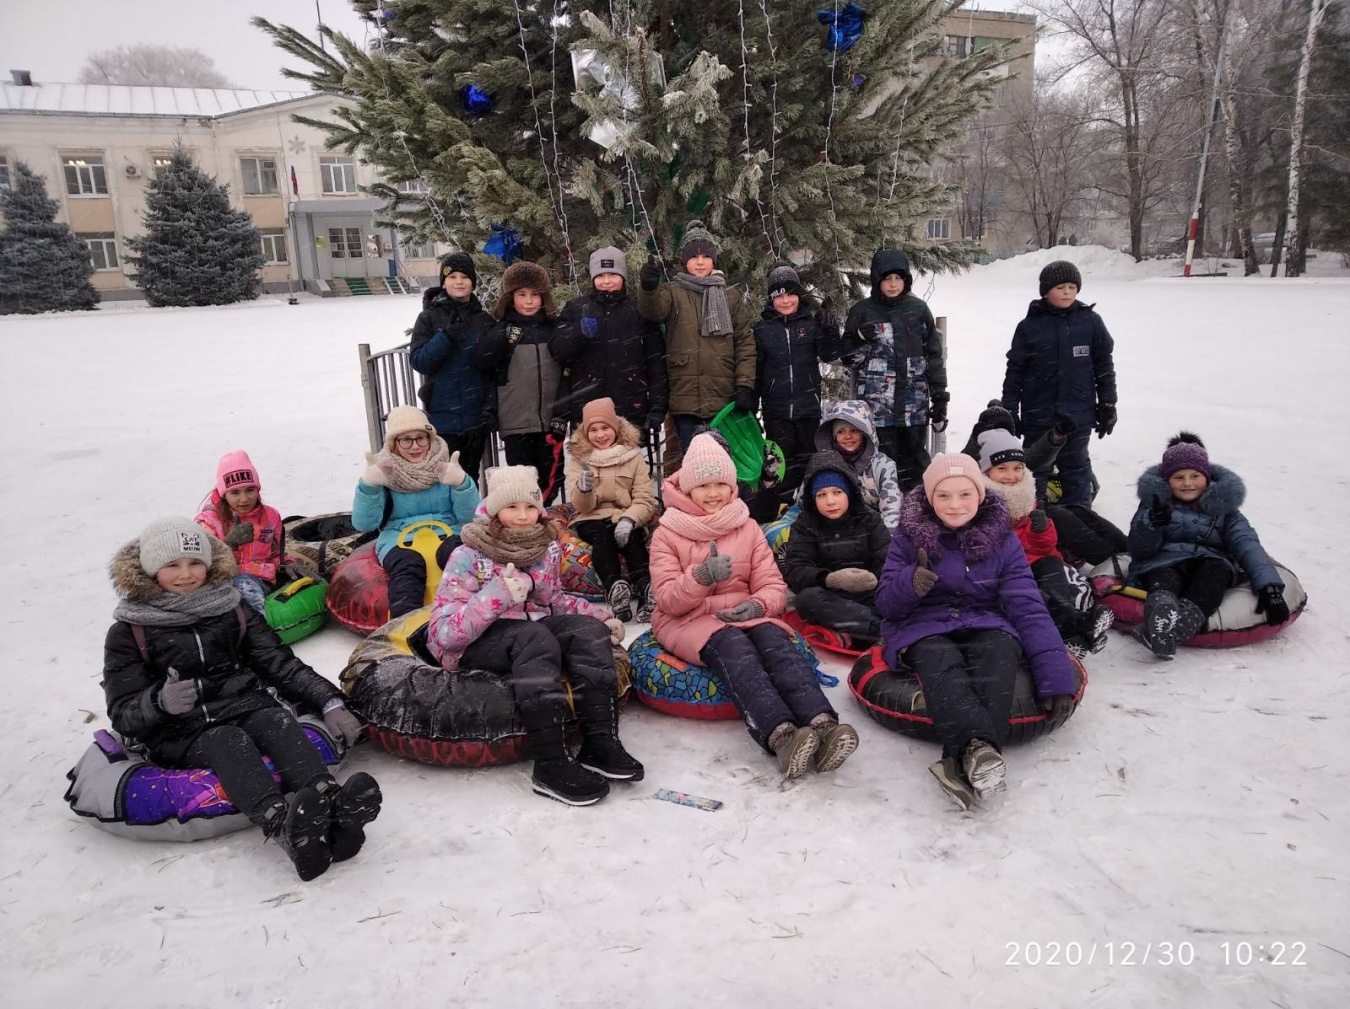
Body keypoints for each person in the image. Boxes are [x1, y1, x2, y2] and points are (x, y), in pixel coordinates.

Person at [103, 519, 380, 881]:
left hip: (244, 705)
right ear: (151, 570)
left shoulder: (231, 608)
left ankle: (331, 805)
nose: (186, 575)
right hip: (180, 730)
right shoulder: (130, 630)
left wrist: (329, 702)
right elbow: (122, 711)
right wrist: (158, 702)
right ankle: (284, 826)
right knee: (228, 740)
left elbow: (279, 663)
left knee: (275, 720)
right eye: (172, 565)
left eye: (194, 563)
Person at [427, 466, 641, 805]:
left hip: (528, 633)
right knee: (534, 637)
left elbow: (553, 601)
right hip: (476, 643)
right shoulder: (467, 555)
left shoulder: (545, 548)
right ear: (495, 511)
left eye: (530, 507)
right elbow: (445, 634)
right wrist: (498, 594)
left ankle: (600, 743)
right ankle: (551, 764)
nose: (524, 516)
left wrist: (599, 617)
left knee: (586, 632)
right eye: (512, 507)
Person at [649, 434, 860, 779]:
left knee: (778, 648)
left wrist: (758, 605)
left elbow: (773, 585)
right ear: (687, 489)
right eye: (703, 485)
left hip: (745, 613)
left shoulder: (745, 526)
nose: (713, 492)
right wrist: (700, 576)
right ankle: (780, 735)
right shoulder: (668, 533)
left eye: (721, 483)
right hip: (692, 620)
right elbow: (668, 600)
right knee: (736, 651)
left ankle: (823, 723)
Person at [876, 455, 1077, 809]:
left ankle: (963, 760)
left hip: (984, 619)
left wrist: (1055, 676)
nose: (955, 505)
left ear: (980, 495)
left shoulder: (1003, 539)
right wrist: (911, 583)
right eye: (944, 496)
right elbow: (887, 605)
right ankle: (977, 751)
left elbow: (1027, 606)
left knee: (999, 652)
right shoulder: (908, 537)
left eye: (964, 494)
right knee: (942, 660)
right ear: (929, 497)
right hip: (921, 625)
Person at [1126, 432, 1288, 658]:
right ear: (1166, 480)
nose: (1188, 483)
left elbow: (1246, 543)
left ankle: (1169, 631)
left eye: (1195, 476)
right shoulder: (1154, 504)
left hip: (1210, 561)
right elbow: (1139, 550)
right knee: (1162, 578)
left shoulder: (1224, 508)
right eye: (1179, 477)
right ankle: (1162, 611)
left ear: (1208, 478)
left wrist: (1269, 587)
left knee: (1215, 575)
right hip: (1164, 560)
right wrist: (1152, 524)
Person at [976, 429, 1114, 656]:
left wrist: (1042, 530)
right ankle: (1079, 628)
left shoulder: (1027, 495)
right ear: (987, 472)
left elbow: (1046, 547)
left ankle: (1071, 636)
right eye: (1002, 469)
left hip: (1035, 559)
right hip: (1006, 568)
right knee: (1037, 596)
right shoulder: (980, 501)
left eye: (1017, 468)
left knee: (1053, 573)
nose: (1011, 476)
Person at [1000, 260, 1118, 507]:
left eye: (1072, 287)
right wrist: (1009, 409)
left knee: (1076, 469)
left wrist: (1108, 404)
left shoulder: (1090, 322)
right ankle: (1034, 524)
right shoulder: (1029, 326)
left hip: (1078, 414)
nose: (1067, 292)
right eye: (1060, 287)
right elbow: (1015, 371)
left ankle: (1080, 520)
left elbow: (1104, 367)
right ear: (1045, 291)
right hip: (1039, 415)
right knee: (1034, 470)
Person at [638, 221, 755, 453]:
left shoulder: (730, 297)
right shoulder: (673, 292)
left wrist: (745, 384)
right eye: (693, 256)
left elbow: (744, 343)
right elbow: (653, 310)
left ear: (714, 259)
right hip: (686, 399)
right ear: (684, 260)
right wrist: (648, 288)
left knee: (725, 464)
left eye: (705, 256)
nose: (700, 262)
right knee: (694, 464)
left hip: (724, 399)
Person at [352, 406, 481, 619]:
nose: (415, 446)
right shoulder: (384, 472)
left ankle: (470, 613)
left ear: (431, 438)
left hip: (448, 531)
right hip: (398, 538)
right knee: (408, 566)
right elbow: (364, 523)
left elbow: (469, 516)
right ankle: (407, 622)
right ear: (394, 444)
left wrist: (462, 485)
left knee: (458, 556)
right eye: (406, 440)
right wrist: (369, 487)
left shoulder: (446, 468)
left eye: (421, 438)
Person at [962, 400, 1126, 565]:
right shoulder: (975, 464)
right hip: (1018, 536)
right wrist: (974, 443)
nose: (1010, 475)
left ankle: (1127, 549)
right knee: (1059, 517)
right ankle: (1110, 560)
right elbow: (961, 466)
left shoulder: (1010, 457)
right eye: (994, 431)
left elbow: (1033, 458)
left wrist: (1056, 436)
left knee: (1077, 511)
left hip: (1032, 517)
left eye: (1004, 432)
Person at [842, 249, 948, 491]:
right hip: (877, 409)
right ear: (877, 280)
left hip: (914, 407)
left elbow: (933, 355)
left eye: (898, 278)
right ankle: (884, 519)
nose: (892, 284)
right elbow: (849, 358)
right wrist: (859, 338)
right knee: (880, 468)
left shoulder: (918, 310)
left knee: (915, 467)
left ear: (906, 280)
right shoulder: (862, 311)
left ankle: (916, 515)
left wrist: (939, 394)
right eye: (887, 278)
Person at [753, 262, 844, 516]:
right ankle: (780, 514)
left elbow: (829, 354)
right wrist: (752, 405)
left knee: (809, 463)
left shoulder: (810, 324)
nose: (786, 300)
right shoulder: (762, 330)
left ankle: (810, 512)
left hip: (808, 410)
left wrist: (829, 329)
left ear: (798, 296)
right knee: (780, 466)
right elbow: (757, 371)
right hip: (777, 411)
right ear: (771, 300)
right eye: (779, 295)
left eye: (790, 294)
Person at [552, 246, 668, 440]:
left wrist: (657, 406)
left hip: (630, 405)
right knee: (590, 467)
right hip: (587, 408)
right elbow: (558, 352)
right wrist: (578, 333)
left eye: (613, 274)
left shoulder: (638, 310)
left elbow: (656, 362)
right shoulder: (576, 309)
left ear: (622, 276)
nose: (606, 281)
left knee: (628, 466)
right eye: (601, 275)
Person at [475, 260, 566, 504]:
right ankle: (526, 522)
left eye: (535, 295)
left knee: (553, 477)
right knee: (522, 479)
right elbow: (485, 364)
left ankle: (545, 517)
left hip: (550, 421)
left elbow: (567, 368)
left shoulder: (553, 328)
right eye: (522, 294)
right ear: (509, 297)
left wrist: (562, 412)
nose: (529, 301)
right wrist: (502, 340)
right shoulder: (502, 329)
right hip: (516, 421)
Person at [782, 451, 890, 649]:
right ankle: (881, 631)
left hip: (870, 594)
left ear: (849, 493)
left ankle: (858, 632)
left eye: (837, 492)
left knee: (897, 594)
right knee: (806, 600)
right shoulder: (805, 525)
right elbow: (795, 570)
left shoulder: (870, 520)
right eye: (821, 495)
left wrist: (870, 581)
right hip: (833, 599)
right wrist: (831, 579)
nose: (830, 501)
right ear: (812, 498)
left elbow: (887, 560)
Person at [565, 397, 657, 623]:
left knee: (632, 540)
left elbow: (644, 498)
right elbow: (580, 506)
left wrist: (630, 519)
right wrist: (584, 489)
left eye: (605, 428)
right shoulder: (579, 459)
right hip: (592, 517)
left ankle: (646, 590)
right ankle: (615, 587)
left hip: (626, 514)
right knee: (603, 537)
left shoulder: (633, 457)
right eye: (593, 430)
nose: (600, 435)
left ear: (615, 428)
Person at [409, 252, 493, 483]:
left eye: (465, 277)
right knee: (445, 479)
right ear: (443, 282)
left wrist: (490, 408)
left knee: (469, 479)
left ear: (473, 283)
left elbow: (494, 368)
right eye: (452, 276)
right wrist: (445, 337)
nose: (459, 281)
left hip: (476, 416)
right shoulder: (429, 318)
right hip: (443, 417)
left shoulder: (484, 320)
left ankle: (470, 519)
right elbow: (419, 360)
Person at [194, 450, 284, 614]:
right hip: (221, 585)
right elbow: (197, 563)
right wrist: (228, 545)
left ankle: (257, 624)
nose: (244, 499)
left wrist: (288, 563)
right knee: (241, 583)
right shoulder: (207, 522)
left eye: (250, 490)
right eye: (235, 492)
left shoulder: (270, 517)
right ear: (224, 494)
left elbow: (275, 553)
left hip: (260, 581)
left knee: (246, 584)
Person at [811, 400, 901, 528]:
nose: (848, 436)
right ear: (834, 436)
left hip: (874, 527)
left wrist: (887, 538)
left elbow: (892, 508)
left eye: (854, 430)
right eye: (841, 431)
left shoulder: (883, 464)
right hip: (832, 528)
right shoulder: (823, 463)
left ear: (864, 433)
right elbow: (804, 501)